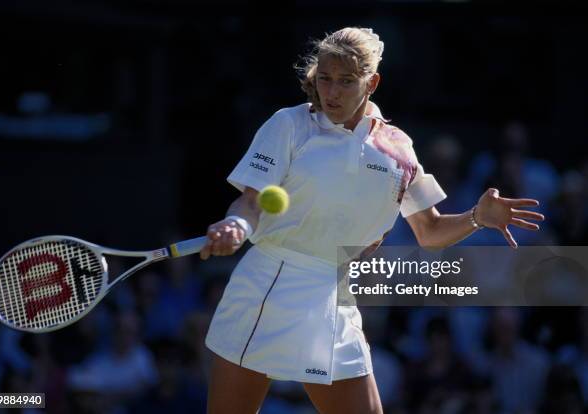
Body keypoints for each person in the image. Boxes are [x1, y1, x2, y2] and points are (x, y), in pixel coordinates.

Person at [199, 27, 544, 414]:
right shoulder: (289, 125)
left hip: (335, 296)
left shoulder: (398, 148)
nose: (332, 92)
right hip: (266, 289)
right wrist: (238, 227)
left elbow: (429, 232)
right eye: (325, 79)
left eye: (346, 81)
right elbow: (251, 201)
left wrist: (477, 217)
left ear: (372, 82)